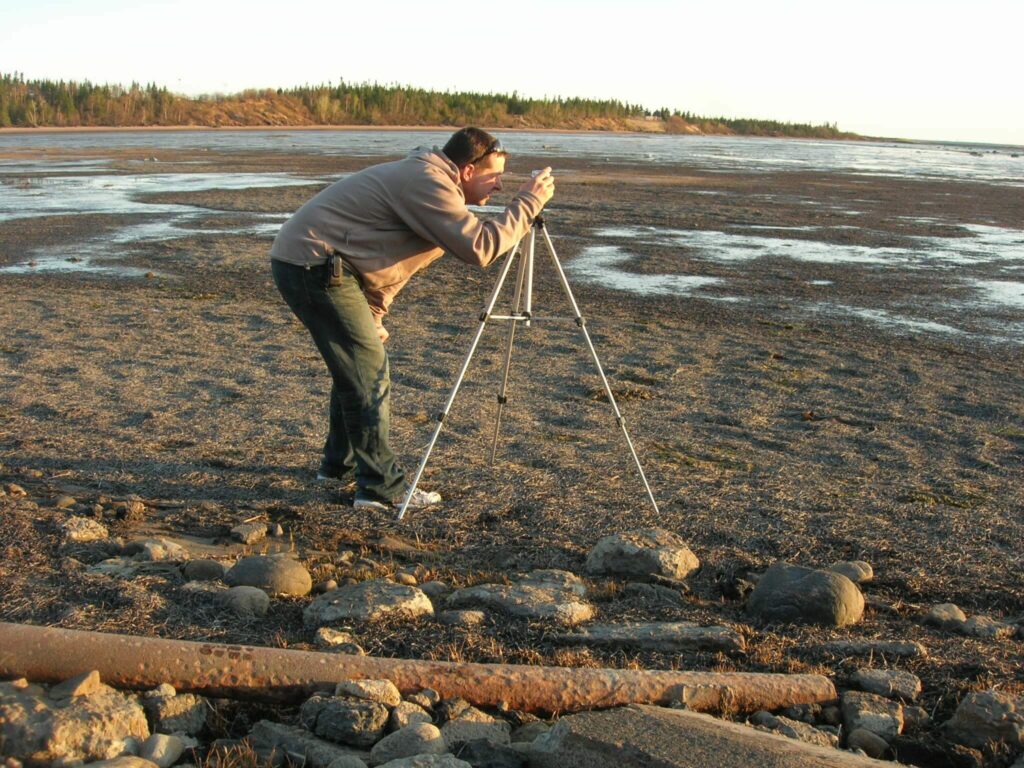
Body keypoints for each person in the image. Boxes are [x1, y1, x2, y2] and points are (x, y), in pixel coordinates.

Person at [270, 127, 556, 511]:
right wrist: (528, 203)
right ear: (468, 171)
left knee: (357, 367)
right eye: (495, 176)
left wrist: (372, 314)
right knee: (367, 373)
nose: (500, 186)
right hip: (315, 265)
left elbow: (382, 258)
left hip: (318, 264)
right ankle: (379, 489)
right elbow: (481, 248)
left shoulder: (429, 180)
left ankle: (339, 467)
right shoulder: (427, 183)